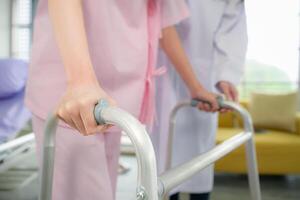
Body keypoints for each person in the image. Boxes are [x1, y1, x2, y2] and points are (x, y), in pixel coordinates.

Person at [25, 0, 218, 199]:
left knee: (105, 192)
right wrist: (80, 82)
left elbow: (164, 27)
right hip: (72, 95)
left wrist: (196, 87)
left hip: (116, 99)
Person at [152, 0, 248, 199]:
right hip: (162, 71)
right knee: (165, 167)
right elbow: (162, 24)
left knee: (200, 164)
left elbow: (232, 29)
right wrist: (196, 86)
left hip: (206, 77)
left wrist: (226, 76)